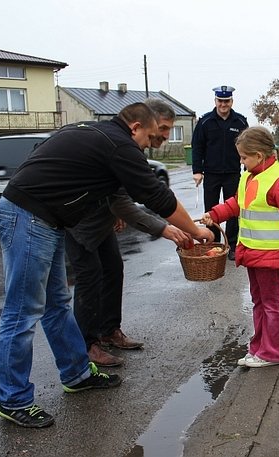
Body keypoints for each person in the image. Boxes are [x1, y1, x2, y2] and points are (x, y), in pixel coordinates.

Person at [0, 102, 214, 428]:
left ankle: (76, 373)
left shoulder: (95, 133)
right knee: (23, 311)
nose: (152, 144)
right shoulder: (118, 145)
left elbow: (106, 191)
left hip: (46, 218)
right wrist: (196, 230)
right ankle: (13, 399)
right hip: (27, 216)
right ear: (136, 126)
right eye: (152, 136)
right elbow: (158, 196)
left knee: (56, 304)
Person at [65, 99, 190, 367]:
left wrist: (116, 212)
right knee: (89, 278)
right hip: (80, 222)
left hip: (101, 221)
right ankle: (86, 345)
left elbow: (117, 193)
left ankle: (109, 330)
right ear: (145, 123)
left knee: (112, 269)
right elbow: (146, 199)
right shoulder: (120, 144)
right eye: (164, 128)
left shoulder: (129, 144)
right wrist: (172, 228)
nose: (165, 136)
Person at [201, 126, 279, 368]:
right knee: (259, 301)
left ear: (259, 156)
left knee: (271, 303)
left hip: (271, 254)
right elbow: (237, 203)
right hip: (253, 251)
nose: (241, 162)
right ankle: (260, 348)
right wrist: (215, 214)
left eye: (243, 157)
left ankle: (272, 353)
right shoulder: (250, 175)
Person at [192, 85, 249, 260]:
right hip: (211, 173)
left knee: (233, 210)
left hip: (233, 172)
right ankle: (213, 242)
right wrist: (197, 170)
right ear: (215, 101)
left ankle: (231, 245)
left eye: (226, 101)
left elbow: (247, 146)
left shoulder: (240, 122)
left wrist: (248, 170)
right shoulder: (205, 122)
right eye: (220, 101)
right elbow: (197, 147)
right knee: (211, 210)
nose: (223, 104)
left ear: (231, 101)